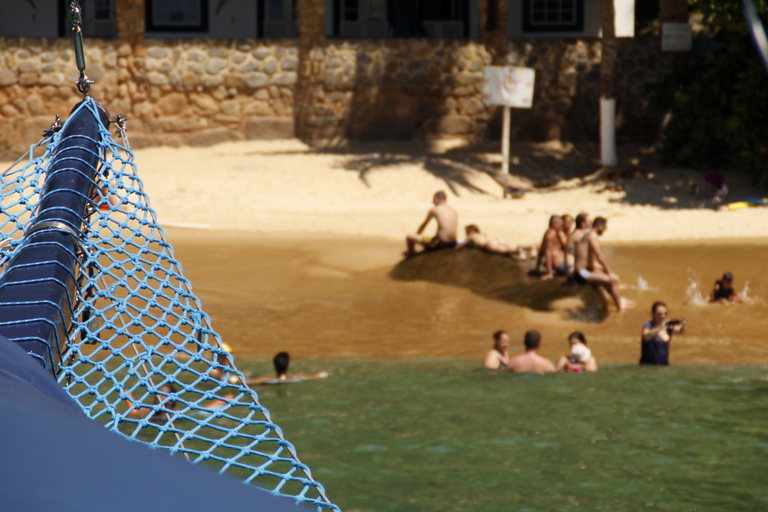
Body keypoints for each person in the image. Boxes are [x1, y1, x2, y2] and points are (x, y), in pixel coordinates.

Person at [573, 216, 626, 312]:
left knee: (609, 278)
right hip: (581, 272)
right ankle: (620, 309)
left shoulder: (588, 234)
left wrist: (604, 271)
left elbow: (592, 262)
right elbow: (600, 256)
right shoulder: (592, 236)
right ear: (600, 226)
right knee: (612, 280)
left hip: (585, 270)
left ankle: (617, 302)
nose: (605, 230)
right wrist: (609, 273)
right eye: (605, 227)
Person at [404, 191, 458, 257]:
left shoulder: (435, 209)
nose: (433, 202)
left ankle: (411, 253)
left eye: (434, 199)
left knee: (410, 237)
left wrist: (417, 237)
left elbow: (423, 225)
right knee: (432, 239)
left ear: (439, 199)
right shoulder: (453, 210)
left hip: (440, 244)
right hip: (453, 243)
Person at [640, 301, 686, 365]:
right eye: (659, 314)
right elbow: (646, 336)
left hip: (664, 366)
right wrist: (660, 327)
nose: (663, 316)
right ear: (653, 314)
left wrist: (683, 325)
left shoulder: (667, 327)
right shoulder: (649, 326)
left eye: (665, 314)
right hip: (649, 367)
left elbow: (680, 331)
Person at [457, 225, 536, 261]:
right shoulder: (482, 235)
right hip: (496, 240)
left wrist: (455, 248)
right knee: (511, 246)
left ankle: (518, 251)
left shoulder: (471, 236)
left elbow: (461, 245)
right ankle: (529, 247)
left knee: (504, 251)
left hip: (489, 244)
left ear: (470, 232)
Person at [247, 352, 329, 385]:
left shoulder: (267, 378)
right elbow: (317, 376)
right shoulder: (296, 377)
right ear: (287, 365)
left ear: (274, 365)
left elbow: (250, 382)